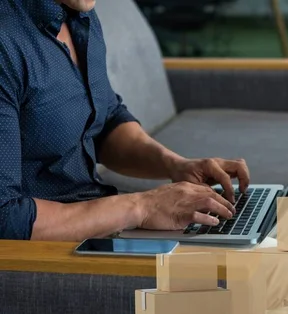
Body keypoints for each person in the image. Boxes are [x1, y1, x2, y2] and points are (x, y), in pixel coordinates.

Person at [0, 0, 250, 241]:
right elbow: (5, 218)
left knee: (262, 239)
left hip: (104, 220)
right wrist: (142, 206)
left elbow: (106, 121)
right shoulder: (6, 42)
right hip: (49, 250)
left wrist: (175, 165)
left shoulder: (80, 14)